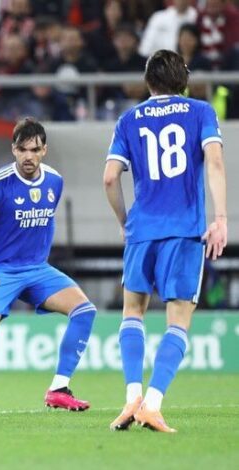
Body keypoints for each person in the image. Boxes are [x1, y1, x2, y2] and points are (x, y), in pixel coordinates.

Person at [103, 50, 227, 433]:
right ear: (183, 79)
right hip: (184, 230)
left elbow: (110, 177)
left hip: (142, 230)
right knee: (179, 318)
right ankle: (152, 405)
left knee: (132, 313)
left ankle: (131, 398)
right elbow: (215, 163)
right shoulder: (201, 112)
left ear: (148, 81)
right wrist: (221, 219)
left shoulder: (128, 119)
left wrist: (126, 222)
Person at [0, 117, 96, 412]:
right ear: (13, 149)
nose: (29, 156)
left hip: (38, 269)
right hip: (0, 269)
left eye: (35, 150)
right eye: (23, 149)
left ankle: (59, 389)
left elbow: (45, 221)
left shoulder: (54, 181)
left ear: (44, 150)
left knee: (84, 311)